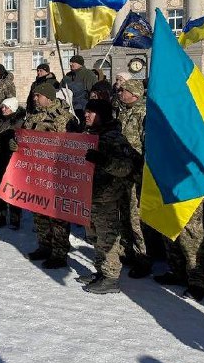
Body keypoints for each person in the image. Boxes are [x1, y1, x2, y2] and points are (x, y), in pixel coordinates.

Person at [79, 99, 140, 294]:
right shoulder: (88, 135)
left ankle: (111, 277)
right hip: (89, 194)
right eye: (86, 111)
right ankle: (100, 271)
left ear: (102, 115)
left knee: (107, 237)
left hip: (107, 196)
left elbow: (127, 167)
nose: (86, 115)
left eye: (92, 112)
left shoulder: (114, 138)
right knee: (94, 236)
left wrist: (104, 161)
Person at [19, 81, 76, 268]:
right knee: (39, 211)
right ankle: (44, 246)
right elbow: (25, 138)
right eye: (34, 95)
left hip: (56, 174)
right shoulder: (33, 117)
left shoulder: (63, 118)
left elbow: (72, 146)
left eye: (39, 95)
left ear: (49, 97)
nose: (35, 98)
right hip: (37, 172)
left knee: (58, 215)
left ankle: (59, 253)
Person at [115, 78, 152, 278]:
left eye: (124, 90)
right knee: (124, 215)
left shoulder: (144, 114)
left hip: (138, 174)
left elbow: (147, 146)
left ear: (135, 95)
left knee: (136, 219)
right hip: (123, 173)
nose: (120, 93)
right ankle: (127, 251)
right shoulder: (123, 112)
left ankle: (143, 258)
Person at [0, 97, 25, 229]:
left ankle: (15, 218)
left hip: (11, 160)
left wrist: (17, 147)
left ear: (13, 108)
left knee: (13, 189)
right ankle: (0, 217)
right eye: (3, 106)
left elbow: (25, 143)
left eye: (6, 107)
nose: (3, 109)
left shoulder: (19, 123)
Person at [61, 55, 96, 126]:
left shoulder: (88, 74)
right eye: (70, 62)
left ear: (80, 63)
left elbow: (93, 92)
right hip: (69, 107)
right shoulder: (68, 75)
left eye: (73, 62)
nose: (70, 64)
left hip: (83, 108)